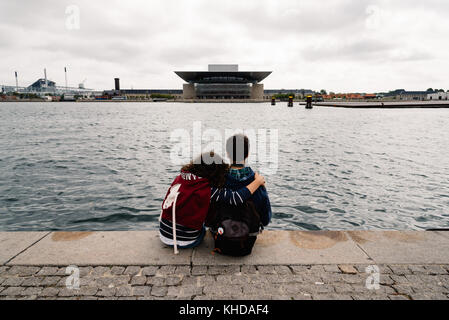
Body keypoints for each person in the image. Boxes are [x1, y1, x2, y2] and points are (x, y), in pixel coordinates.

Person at [159, 151, 266, 253]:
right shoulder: (206, 189)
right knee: (204, 230)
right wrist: (258, 182)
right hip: (186, 240)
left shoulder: (180, 178)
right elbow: (235, 198)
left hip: (164, 233)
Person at [223, 134, 272, 227]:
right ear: (248, 154)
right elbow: (265, 220)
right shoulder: (258, 182)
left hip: (221, 235)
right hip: (249, 238)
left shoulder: (219, 180)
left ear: (228, 154)